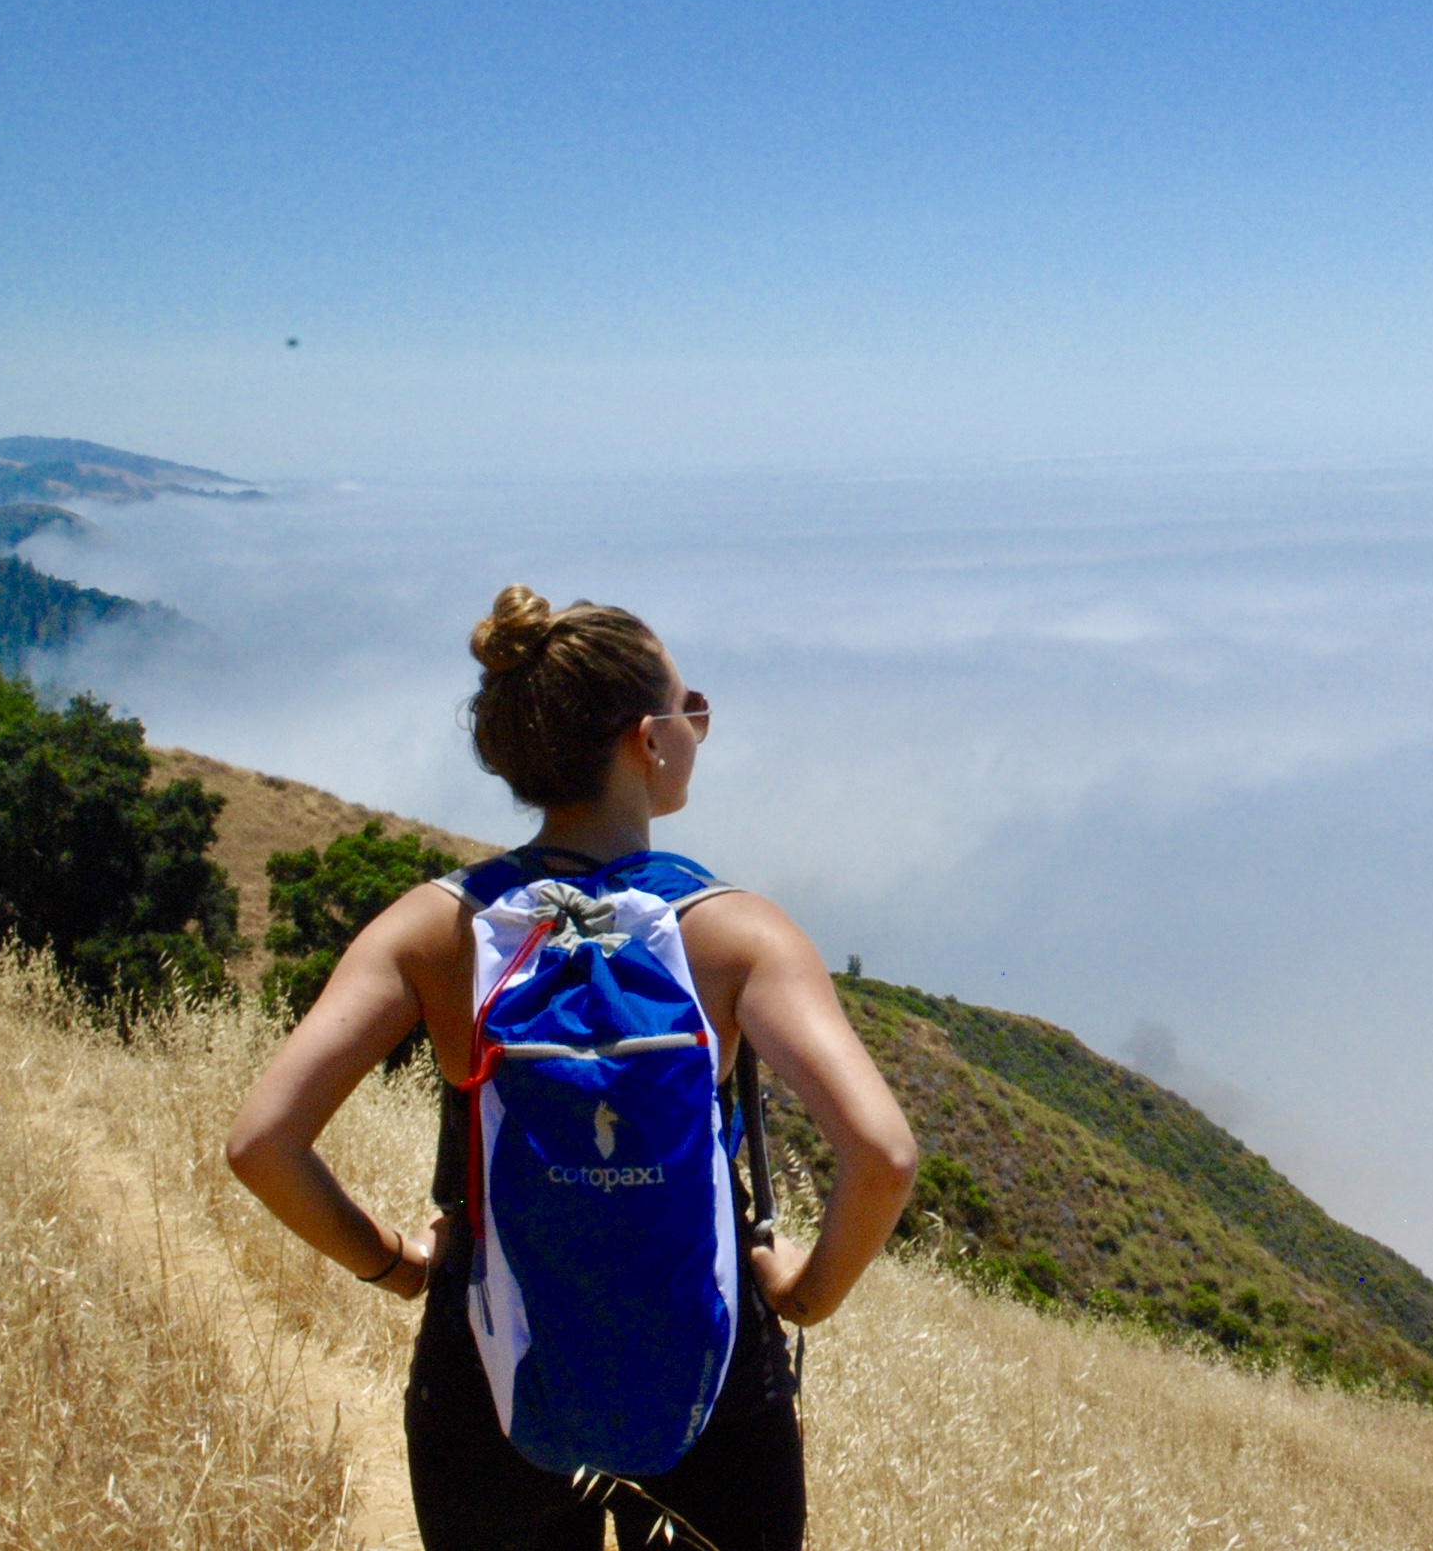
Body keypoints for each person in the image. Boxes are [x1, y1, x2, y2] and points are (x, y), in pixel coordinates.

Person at [228, 585, 919, 1551]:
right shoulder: (736, 932)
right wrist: (805, 1294)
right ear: (648, 740)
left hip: (486, 1366)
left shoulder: (439, 925)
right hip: (712, 1377)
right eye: (693, 710)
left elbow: (263, 1142)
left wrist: (392, 1266)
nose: (699, 726)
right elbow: (882, 1153)